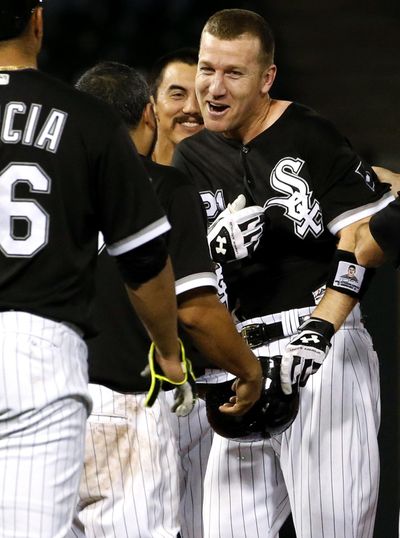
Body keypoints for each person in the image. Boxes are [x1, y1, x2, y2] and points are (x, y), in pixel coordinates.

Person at [172, 8, 395, 538]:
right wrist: (210, 248)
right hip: (243, 358)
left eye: (233, 73)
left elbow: (364, 240)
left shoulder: (308, 132)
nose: (213, 87)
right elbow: (180, 274)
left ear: (266, 78)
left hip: (323, 350)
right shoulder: (191, 157)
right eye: (206, 69)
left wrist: (320, 332)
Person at [0, 2, 190, 537]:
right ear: (37, 21)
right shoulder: (82, 116)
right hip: (37, 348)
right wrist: (170, 353)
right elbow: (145, 261)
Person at [68, 61, 262, 538]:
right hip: (125, 403)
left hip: (41, 397)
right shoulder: (163, 186)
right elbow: (193, 311)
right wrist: (249, 369)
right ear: (149, 115)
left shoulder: (47, 185)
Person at [150, 48, 203, 165]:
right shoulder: (127, 173)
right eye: (178, 95)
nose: (192, 108)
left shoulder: (234, 176)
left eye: (202, 96)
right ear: (153, 105)